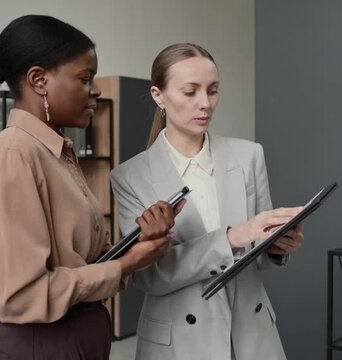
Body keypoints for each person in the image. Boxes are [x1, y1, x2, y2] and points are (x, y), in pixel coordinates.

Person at [0, 15, 184, 360]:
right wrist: (124, 266)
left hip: (75, 338)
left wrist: (136, 245)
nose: (95, 89)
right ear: (38, 80)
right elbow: (21, 294)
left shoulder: (56, 151)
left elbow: (76, 260)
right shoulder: (14, 152)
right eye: (85, 78)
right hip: (41, 344)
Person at [110, 43, 305, 360]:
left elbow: (258, 259)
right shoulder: (130, 177)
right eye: (190, 92)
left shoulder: (248, 156)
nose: (205, 104)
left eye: (213, 91)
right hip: (178, 343)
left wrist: (274, 247)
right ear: (159, 96)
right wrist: (233, 237)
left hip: (251, 335)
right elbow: (149, 277)